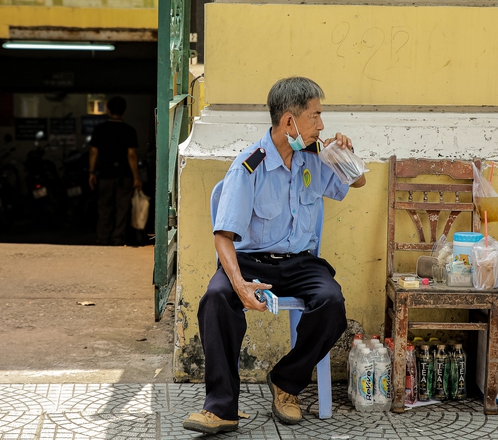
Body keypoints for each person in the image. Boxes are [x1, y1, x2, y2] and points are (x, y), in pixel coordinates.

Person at [182, 77, 367, 435]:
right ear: (289, 121)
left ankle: (286, 382)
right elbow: (223, 237)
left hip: (299, 263)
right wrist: (238, 284)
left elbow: (356, 183)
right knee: (217, 299)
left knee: (332, 304)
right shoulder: (248, 167)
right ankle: (221, 408)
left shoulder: (314, 157)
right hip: (249, 260)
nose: (321, 125)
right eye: (315, 116)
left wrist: (345, 154)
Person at [88, 96, 143, 246]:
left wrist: (92, 172)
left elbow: (94, 152)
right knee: (122, 208)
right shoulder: (129, 130)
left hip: (105, 175)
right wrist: (136, 177)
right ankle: (118, 238)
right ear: (124, 110)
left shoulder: (99, 129)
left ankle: (103, 238)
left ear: (108, 109)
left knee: (104, 208)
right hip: (124, 176)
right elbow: (131, 155)